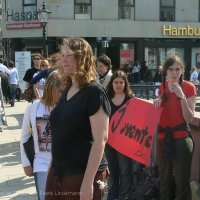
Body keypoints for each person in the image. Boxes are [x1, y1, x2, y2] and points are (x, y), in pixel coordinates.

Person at [45, 37, 111, 200]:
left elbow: (101, 139)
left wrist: (88, 182)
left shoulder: (94, 92)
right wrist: (51, 168)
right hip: (58, 172)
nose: (64, 60)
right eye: (63, 55)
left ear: (82, 58)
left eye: (69, 55)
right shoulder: (67, 88)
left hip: (82, 175)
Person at [153, 55, 196, 200]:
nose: (174, 73)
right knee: (164, 181)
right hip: (163, 138)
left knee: (182, 183)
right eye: (171, 69)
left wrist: (181, 96)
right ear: (166, 71)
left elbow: (189, 118)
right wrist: (157, 101)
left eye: (178, 69)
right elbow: (157, 115)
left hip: (182, 139)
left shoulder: (188, 87)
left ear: (182, 70)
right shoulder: (162, 87)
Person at [20, 71, 64, 200]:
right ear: (50, 89)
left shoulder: (65, 106)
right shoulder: (33, 107)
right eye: (60, 91)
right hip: (41, 163)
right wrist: (26, 163)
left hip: (65, 163)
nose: (62, 95)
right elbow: (25, 136)